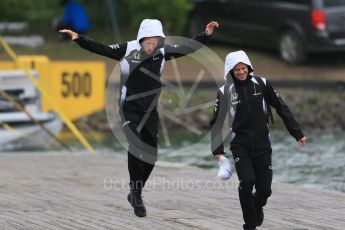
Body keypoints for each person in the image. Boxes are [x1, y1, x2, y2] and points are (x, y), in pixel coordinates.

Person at [60, 19, 219, 217]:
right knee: (135, 145)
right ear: (141, 39)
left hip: (150, 109)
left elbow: (187, 48)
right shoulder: (127, 49)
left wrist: (205, 35)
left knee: (151, 157)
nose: (152, 46)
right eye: (149, 42)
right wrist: (79, 39)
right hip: (129, 108)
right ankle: (136, 194)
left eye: (156, 42)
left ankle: (137, 189)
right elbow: (101, 48)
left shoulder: (162, 51)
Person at [210, 50, 306, 230]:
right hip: (240, 146)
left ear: (248, 67)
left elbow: (281, 107)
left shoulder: (262, 84)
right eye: (236, 69)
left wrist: (297, 133)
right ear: (230, 71)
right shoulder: (224, 92)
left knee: (265, 190)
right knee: (246, 181)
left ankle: (256, 204)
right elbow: (216, 123)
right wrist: (217, 151)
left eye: (243, 68)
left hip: (263, 145)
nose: (240, 72)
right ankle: (250, 223)